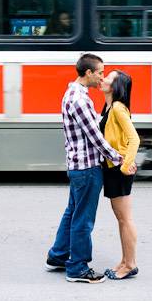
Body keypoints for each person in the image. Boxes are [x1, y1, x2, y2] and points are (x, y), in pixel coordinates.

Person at [45, 53, 123, 284]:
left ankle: (58, 255)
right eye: (100, 72)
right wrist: (117, 158)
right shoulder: (79, 99)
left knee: (72, 212)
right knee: (84, 219)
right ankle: (77, 267)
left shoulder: (73, 94)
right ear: (88, 72)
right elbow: (95, 137)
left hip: (79, 166)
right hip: (87, 167)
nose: (102, 77)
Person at [99, 70, 140, 280]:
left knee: (125, 219)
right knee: (121, 218)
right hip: (113, 167)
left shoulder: (117, 108)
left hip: (119, 168)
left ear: (116, 86)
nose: (103, 79)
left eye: (108, 77)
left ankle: (130, 264)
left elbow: (135, 139)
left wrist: (126, 165)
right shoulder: (109, 107)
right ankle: (124, 261)